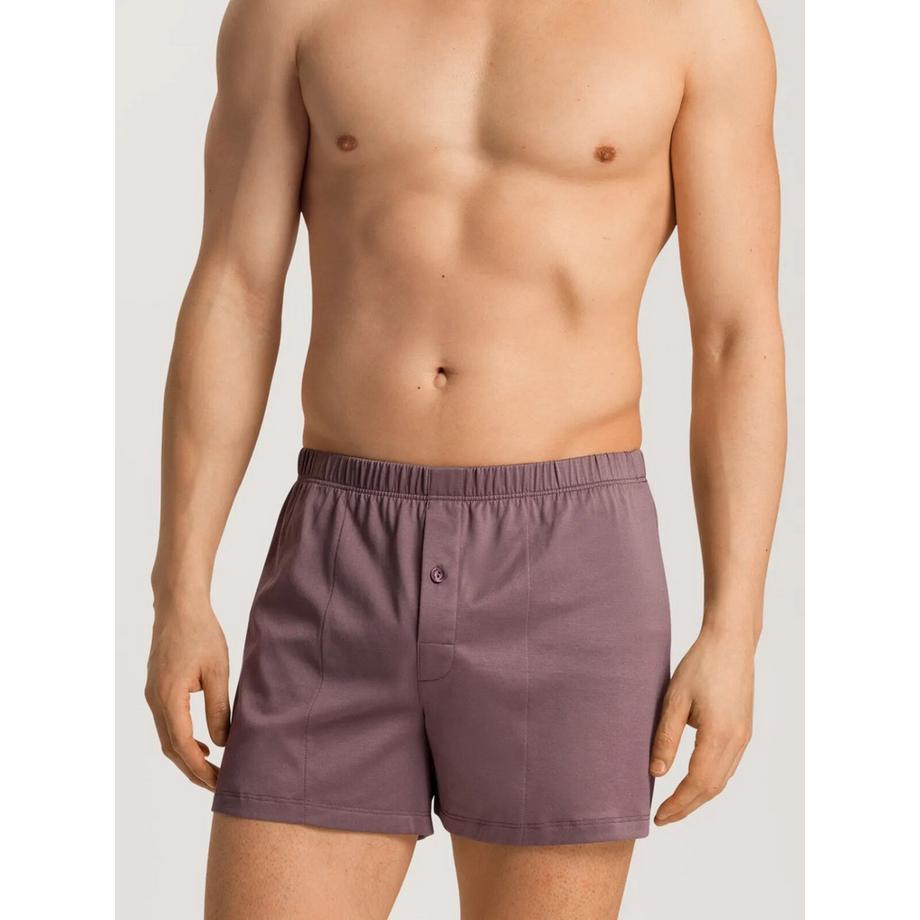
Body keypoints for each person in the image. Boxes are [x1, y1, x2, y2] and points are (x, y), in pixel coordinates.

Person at [145, 0, 785, 916]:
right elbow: (235, 289)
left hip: (571, 565)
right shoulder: (294, 10)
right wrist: (180, 591)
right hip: (341, 551)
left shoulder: (697, 22)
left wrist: (735, 630)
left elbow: (735, 336)